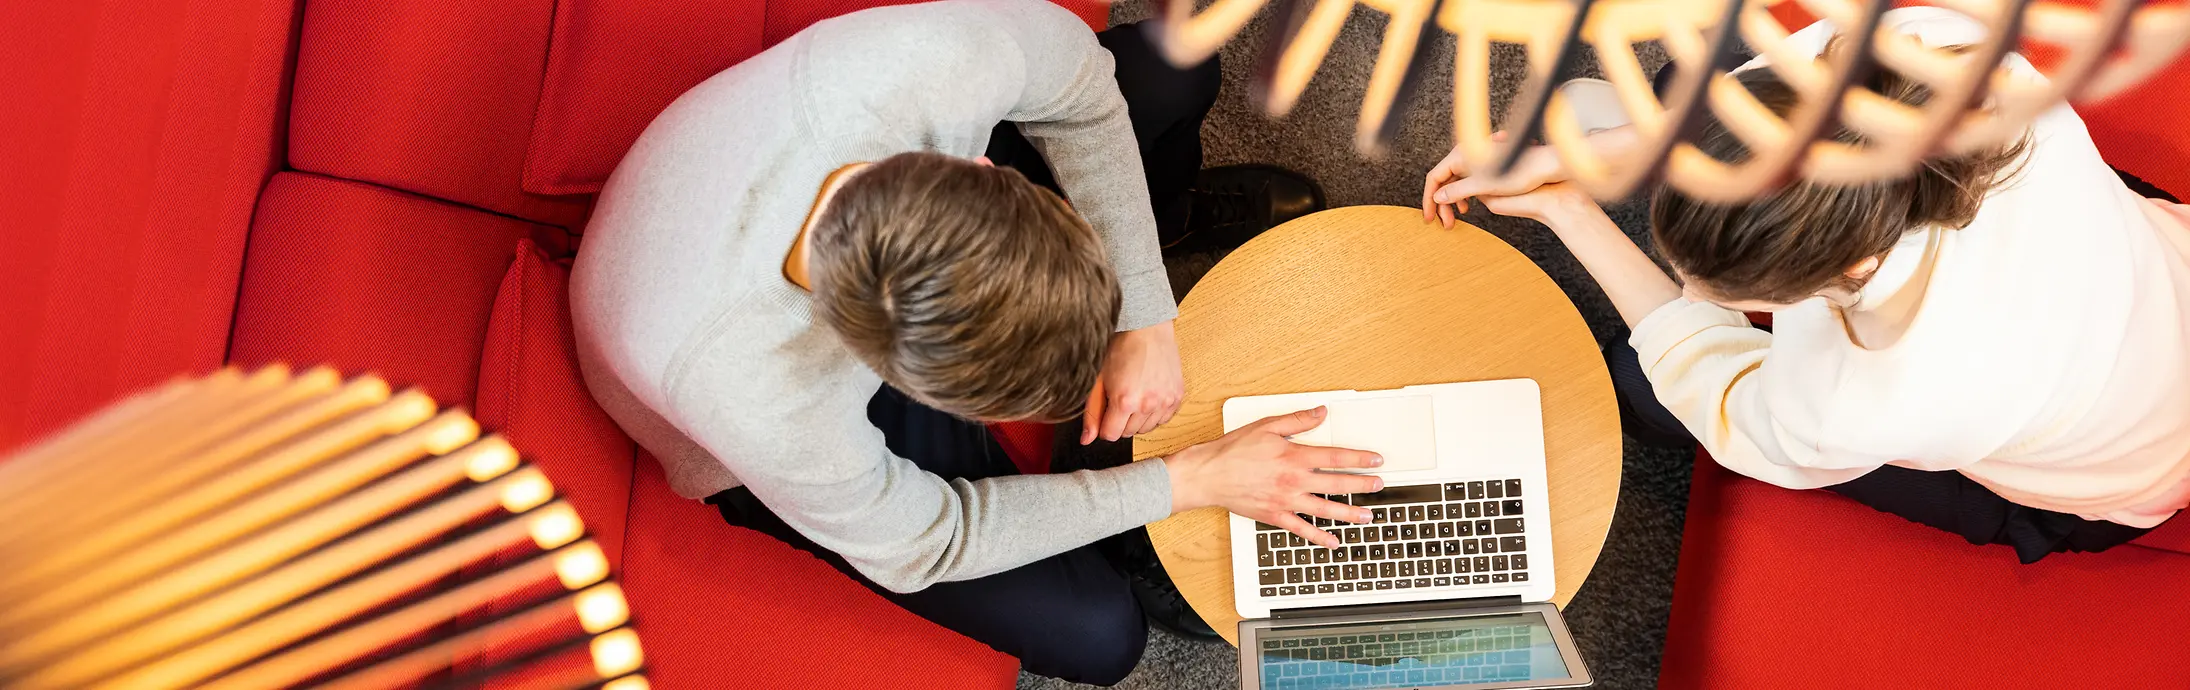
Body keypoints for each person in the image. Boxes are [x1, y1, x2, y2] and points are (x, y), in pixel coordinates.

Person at [570, 0, 1357, 683]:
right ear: (900, 388)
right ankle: (1118, 526)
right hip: (718, 395)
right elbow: (929, 542)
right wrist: (1178, 484)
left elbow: (1082, 86)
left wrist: (1143, 314)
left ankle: (1169, 211)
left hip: (812, 196)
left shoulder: (935, 66)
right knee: (1103, 636)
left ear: (984, 168)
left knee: (1170, 67)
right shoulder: (770, 402)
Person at [1421, 7, 2190, 564]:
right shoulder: (1943, 51)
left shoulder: (1858, 403)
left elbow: (1722, 395)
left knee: (1639, 384)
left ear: (1840, 275)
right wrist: (1589, 152)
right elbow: (1790, 90)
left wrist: (1572, 210)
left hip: (2121, 471)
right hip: (2145, 265)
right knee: (1691, 82)